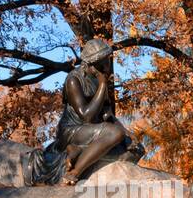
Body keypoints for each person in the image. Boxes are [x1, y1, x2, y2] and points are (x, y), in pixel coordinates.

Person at [27, 38, 135, 185]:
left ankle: (77, 151)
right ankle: (74, 172)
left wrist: (128, 133)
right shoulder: (74, 79)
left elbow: (107, 115)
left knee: (133, 148)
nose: (108, 64)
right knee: (115, 133)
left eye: (108, 59)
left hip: (93, 129)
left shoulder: (98, 78)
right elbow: (87, 116)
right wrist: (103, 85)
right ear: (93, 64)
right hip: (72, 130)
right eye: (105, 60)